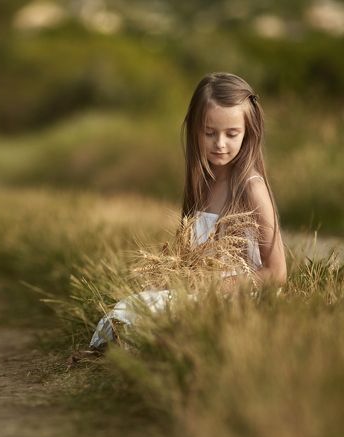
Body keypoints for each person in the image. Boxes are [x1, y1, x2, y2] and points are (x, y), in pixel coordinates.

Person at [88, 72, 287, 351]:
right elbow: (193, 254)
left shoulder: (251, 188)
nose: (219, 144)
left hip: (239, 297)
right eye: (209, 132)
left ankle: (148, 350)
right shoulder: (202, 182)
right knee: (130, 308)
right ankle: (133, 351)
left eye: (232, 134)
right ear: (195, 130)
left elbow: (276, 272)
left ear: (248, 133)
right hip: (197, 292)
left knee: (153, 318)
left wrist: (215, 288)